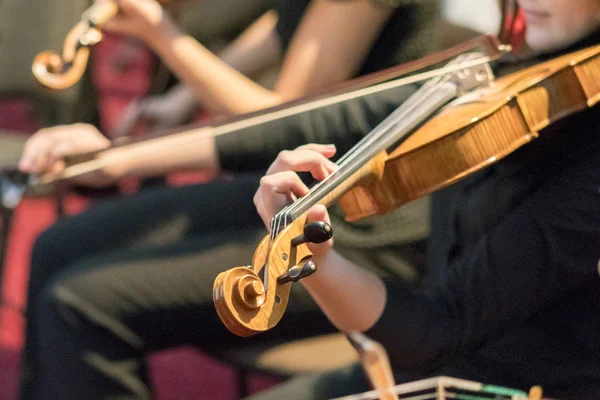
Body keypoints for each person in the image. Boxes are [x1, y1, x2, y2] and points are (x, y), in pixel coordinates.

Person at [18, 1, 441, 399]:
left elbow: (282, 118)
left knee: (79, 306)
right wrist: (177, 102)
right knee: (55, 246)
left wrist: (159, 35)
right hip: (305, 192)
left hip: (364, 226)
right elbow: (287, 24)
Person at [251, 0, 600, 398]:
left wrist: (320, 261)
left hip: (505, 387)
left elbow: (441, 327)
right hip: (414, 365)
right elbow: (334, 116)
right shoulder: (506, 63)